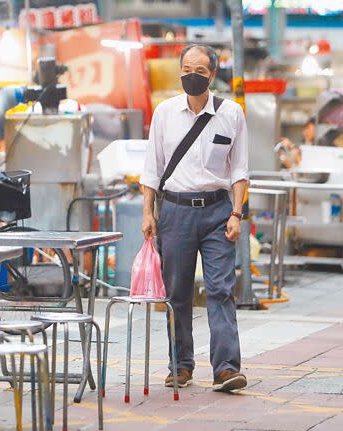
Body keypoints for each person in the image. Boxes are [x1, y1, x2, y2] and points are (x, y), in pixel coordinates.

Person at [140, 44, 249, 393]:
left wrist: (236, 213)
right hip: (175, 212)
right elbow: (152, 168)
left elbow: (241, 171)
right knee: (177, 293)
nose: (192, 76)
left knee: (220, 289)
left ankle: (227, 368)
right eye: (187, 69)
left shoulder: (232, 114)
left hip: (219, 212)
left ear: (212, 74)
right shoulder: (165, 113)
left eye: (200, 71)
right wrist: (148, 212)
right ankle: (181, 365)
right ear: (180, 71)